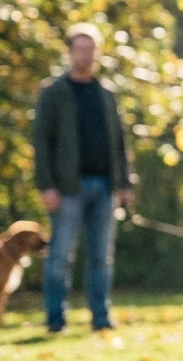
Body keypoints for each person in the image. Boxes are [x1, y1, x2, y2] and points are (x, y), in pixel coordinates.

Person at [32, 23, 135, 332]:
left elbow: (119, 140)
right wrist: (46, 185)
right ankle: (55, 319)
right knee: (60, 257)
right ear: (69, 52)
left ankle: (101, 318)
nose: (85, 55)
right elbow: (40, 141)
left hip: (105, 186)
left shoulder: (106, 93)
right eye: (79, 49)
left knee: (101, 258)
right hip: (66, 188)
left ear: (97, 54)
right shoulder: (53, 92)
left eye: (90, 50)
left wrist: (126, 183)